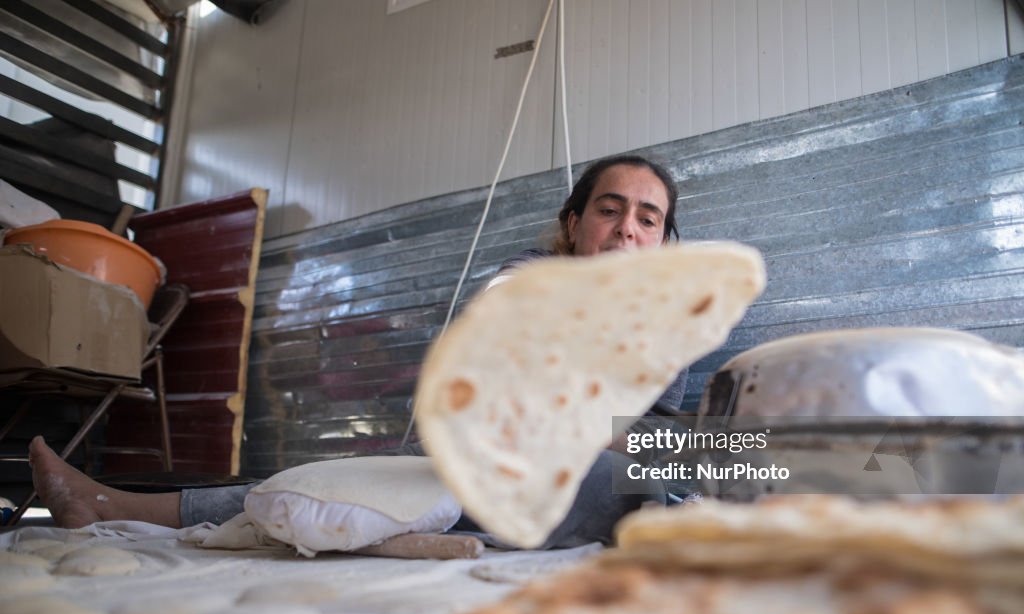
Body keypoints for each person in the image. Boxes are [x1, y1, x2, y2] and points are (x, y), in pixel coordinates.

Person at [28, 154, 687, 548]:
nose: (628, 228)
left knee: (673, 469)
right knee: (365, 486)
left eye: (648, 218)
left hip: (595, 487)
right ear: (574, 225)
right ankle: (117, 504)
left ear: (661, 239)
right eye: (610, 208)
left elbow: (657, 439)